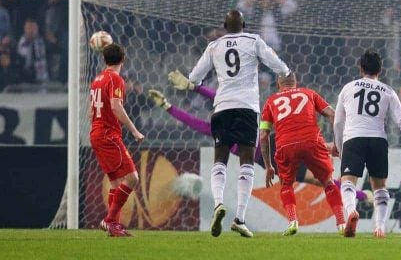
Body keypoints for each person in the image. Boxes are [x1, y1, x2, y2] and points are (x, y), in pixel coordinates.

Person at [147, 84, 374, 202]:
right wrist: (169, 106)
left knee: (320, 177)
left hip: (272, 153)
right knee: (319, 168)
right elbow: (198, 119)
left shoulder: (224, 126)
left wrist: (187, 92)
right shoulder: (232, 119)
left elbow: (205, 112)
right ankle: (361, 190)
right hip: (274, 150)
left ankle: (363, 193)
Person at [174, 10, 290, 238]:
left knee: (221, 159)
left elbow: (195, 78)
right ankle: (239, 219)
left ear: (224, 25)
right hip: (247, 108)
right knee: (247, 160)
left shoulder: (214, 46)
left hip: (222, 106)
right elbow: (276, 64)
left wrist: (192, 82)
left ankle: (218, 204)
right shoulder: (253, 40)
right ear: (244, 24)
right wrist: (286, 72)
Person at [334, 50, 401, 238]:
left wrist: (340, 147)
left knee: (347, 182)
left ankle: (351, 212)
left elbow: (338, 122)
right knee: (380, 187)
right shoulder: (388, 91)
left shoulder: (348, 88)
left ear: (360, 68)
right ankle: (380, 227)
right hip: (378, 140)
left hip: (353, 139)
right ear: (380, 70)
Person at [259, 72, 345, 236]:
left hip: (285, 145)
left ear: (278, 84)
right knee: (328, 182)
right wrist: (336, 144)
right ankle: (341, 223)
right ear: (295, 82)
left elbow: (263, 135)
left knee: (286, 184)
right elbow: (333, 114)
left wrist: (269, 165)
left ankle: (293, 221)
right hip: (312, 141)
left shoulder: (271, 101)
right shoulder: (309, 93)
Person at [89, 43, 144, 237]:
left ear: (104, 60)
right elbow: (116, 106)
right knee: (132, 178)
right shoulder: (115, 79)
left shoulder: (97, 79)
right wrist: (135, 130)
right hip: (108, 135)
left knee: (115, 182)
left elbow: (90, 111)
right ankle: (110, 220)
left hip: (96, 133)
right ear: (123, 60)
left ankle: (115, 227)